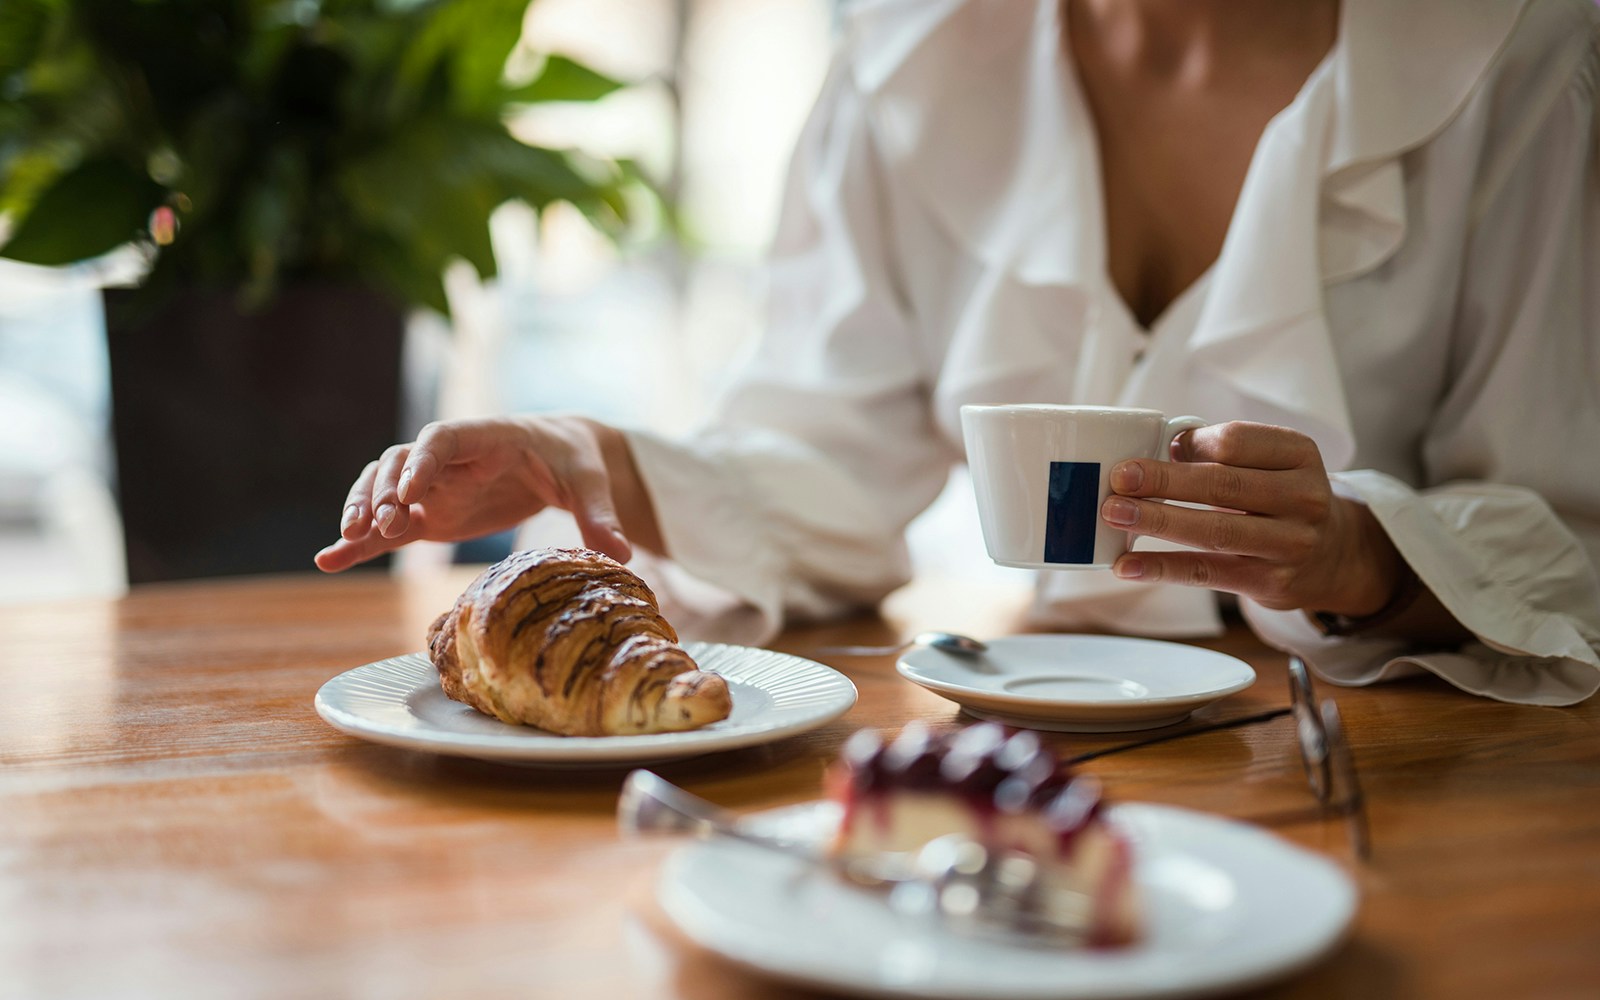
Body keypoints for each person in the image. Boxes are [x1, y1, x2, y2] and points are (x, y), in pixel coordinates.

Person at [317, 0, 1600, 706]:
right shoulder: (907, 59)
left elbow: (1567, 528)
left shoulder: (1524, 60)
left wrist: (1361, 555)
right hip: (1018, 736)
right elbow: (827, 454)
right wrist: (579, 455)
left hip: (1408, 770)